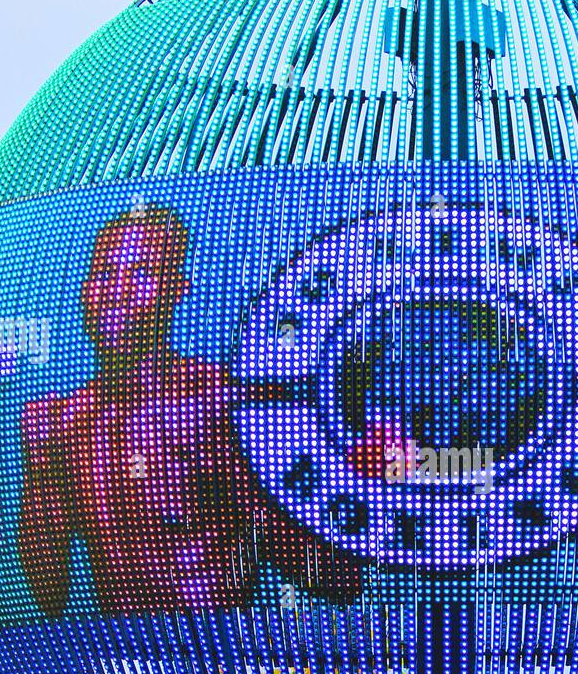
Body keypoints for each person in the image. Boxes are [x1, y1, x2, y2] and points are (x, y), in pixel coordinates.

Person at [19, 205, 358, 617]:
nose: (118, 289)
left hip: (218, 664)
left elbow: (336, 578)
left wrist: (358, 478)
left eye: (141, 273)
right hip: (126, 665)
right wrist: (42, 484)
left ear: (174, 289)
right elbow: (47, 595)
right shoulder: (60, 424)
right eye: (105, 274)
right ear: (85, 289)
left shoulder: (221, 405)